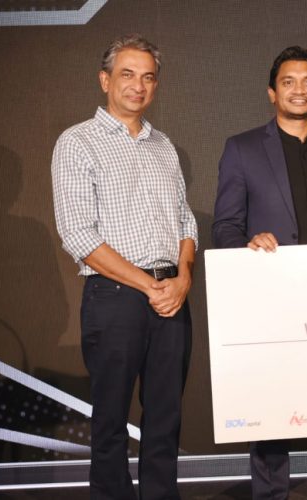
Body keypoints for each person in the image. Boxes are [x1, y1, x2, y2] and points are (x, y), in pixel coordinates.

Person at [212, 46, 307, 500]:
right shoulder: (241, 149)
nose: (299, 90)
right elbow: (225, 226)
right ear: (272, 92)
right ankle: (270, 494)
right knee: (273, 407)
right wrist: (247, 243)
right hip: (273, 301)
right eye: (289, 82)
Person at [51, 34, 197, 500]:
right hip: (114, 297)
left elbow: (185, 221)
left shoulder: (163, 145)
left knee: (165, 417)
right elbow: (78, 234)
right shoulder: (77, 142)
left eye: (148, 77)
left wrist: (183, 278)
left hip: (171, 295)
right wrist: (148, 285)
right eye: (127, 75)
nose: (138, 85)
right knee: (110, 419)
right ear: (105, 80)